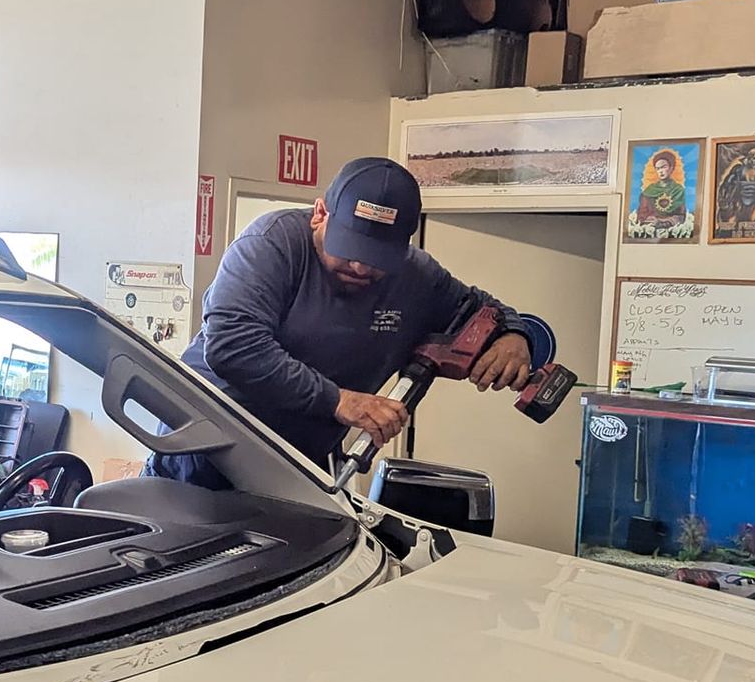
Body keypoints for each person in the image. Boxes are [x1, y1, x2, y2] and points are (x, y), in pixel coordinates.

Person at [146, 156, 532, 489]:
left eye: (379, 256)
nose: (362, 266)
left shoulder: (417, 276)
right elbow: (232, 347)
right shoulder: (271, 245)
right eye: (350, 249)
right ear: (320, 214)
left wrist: (514, 335)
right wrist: (338, 401)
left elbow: (482, 310)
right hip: (203, 456)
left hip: (304, 466)